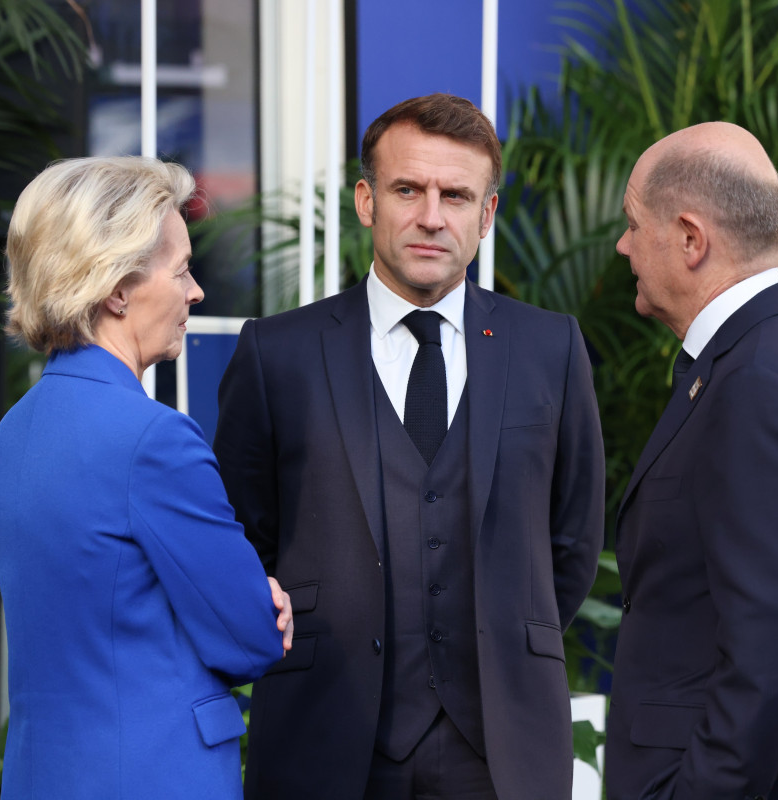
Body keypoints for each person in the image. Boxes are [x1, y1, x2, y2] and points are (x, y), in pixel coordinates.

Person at [213, 93, 606, 800]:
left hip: (502, 752)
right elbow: (244, 541)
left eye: (456, 196)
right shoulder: (278, 354)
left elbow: (572, 541)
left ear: (487, 214)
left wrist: (505, 636)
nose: (431, 216)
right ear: (366, 201)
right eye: (407, 190)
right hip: (325, 742)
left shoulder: (551, 349)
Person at [0, 155, 293, 799]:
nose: (195, 291)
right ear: (117, 290)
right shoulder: (154, 440)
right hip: (153, 775)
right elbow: (250, 640)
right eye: (180, 270)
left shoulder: (14, 431)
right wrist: (263, 601)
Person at [603, 122, 778, 800]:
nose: (622, 246)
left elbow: (769, 656)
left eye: (634, 224)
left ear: (691, 239)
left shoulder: (756, 385)